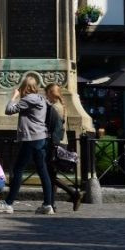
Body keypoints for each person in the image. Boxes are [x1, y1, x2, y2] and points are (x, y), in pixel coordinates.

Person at [0, 74, 54, 214]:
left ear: (25, 87)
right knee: (43, 171)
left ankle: (9, 203)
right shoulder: (41, 98)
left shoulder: (28, 99)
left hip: (30, 138)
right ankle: (48, 204)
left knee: (18, 169)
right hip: (41, 137)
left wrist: (14, 96)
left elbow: (9, 110)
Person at [44, 83, 82, 211]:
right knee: (52, 174)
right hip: (62, 141)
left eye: (46, 93)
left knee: (50, 175)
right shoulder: (61, 106)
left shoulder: (54, 107)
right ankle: (52, 204)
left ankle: (73, 194)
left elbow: (51, 126)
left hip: (55, 143)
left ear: (49, 93)